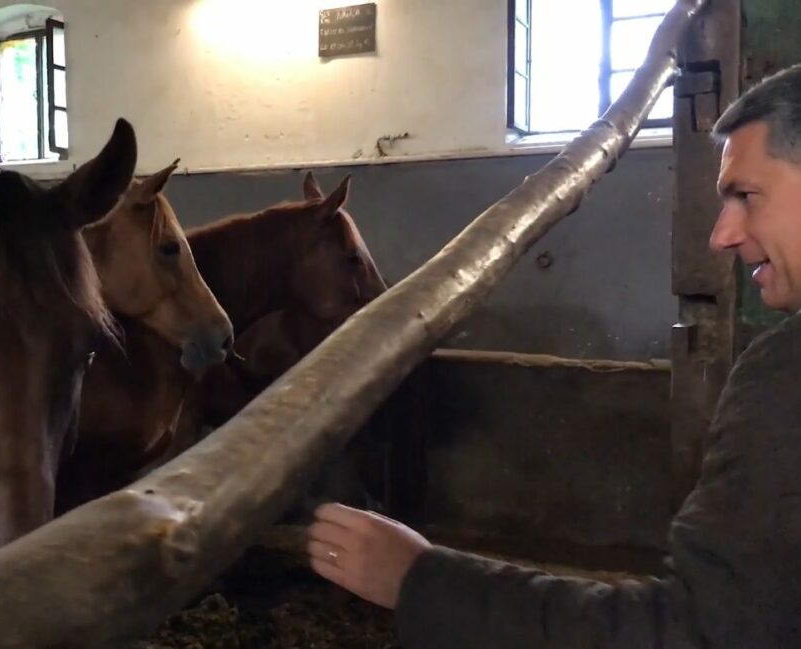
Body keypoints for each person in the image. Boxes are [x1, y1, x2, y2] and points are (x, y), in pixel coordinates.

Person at [306, 63, 801, 647]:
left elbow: (695, 632)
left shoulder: (784, 375)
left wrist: (419, 579)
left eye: (746, 195)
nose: (721, 234)